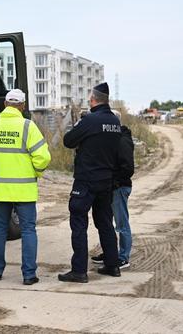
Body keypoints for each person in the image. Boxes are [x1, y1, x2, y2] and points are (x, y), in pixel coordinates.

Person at [0, 89, 51, 285]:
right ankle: (28, 275)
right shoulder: (28, 127)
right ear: (23, 106)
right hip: (24, 191)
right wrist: (36, 172)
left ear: (5, 105)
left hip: (0, 190)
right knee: (28, 230)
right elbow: (43, 158)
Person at [58, 82, 122, 283]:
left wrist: (79, 124)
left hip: (86, 180)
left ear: (93, 99)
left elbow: (68, 141)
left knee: (78, 222)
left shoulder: (90, 120)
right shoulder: (115, 122)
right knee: (105, 222)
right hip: (106, 180)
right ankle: (112, 265)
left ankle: (79, 271)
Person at [92, 123, 134, 268]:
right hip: (111, 187)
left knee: (121, 223)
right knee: (107, 223)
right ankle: (110, 253)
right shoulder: (115, 138)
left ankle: (123, 257)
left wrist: (115, 181)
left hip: (119, 187)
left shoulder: (122, 141)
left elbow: (128, 168)